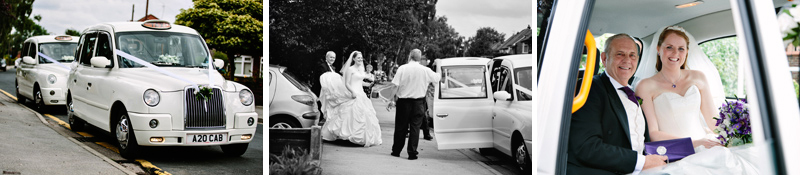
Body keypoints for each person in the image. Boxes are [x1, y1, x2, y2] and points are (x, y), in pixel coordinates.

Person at [634, 26, 757, 174]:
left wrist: (734, 136)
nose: (675, 53)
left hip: (706, 146)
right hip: (674, 151)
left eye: (681, 48)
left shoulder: (698, 77)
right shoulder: (645, 86)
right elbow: (654, 133)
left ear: (686, 52)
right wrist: (695, 143)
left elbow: (713, 122)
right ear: (658, 49)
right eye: (669, 47)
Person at [568, 33, 667, 174]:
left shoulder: (632, 92)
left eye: (632, 55)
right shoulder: (590, 89)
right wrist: (641, 162)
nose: (627, 60)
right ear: (604, 58)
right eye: (620, 54)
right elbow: (586, 147)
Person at [319, 51, 382, 147]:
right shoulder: (350, 69)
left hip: (361, 94)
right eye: (358, 58)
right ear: (353, 59)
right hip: (353, 93)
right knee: (348, 114)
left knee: (365, 114)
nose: (360, 60)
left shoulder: (361, 69)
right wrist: (352, 92)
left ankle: (362, 137)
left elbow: (359, 81)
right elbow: (347, 83)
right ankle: (346, 136)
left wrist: (368, 84)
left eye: (361, 58)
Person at [387, 49, 439, 160]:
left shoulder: (402, 68)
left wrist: (391, 100)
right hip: (418, 102)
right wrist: (438, 64)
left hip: (403, 102)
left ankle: (396, 151)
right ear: (420, 58)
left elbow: (395, 85)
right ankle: (412, 153)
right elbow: (437, 78)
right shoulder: (426, 70)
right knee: (415, 128)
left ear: (410, 55)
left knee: (401, 127)